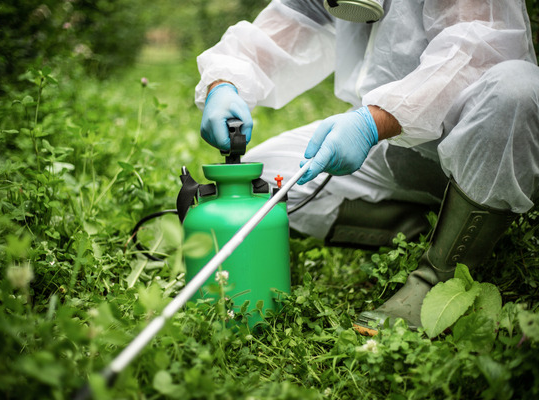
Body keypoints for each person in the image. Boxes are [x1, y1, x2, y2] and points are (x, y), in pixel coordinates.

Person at [194, 0, 539, 335]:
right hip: (393, 147)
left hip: (485, 144)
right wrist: (224, 83)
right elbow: (275, 32)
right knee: (267, 182)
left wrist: (372, 122)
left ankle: (439, 275)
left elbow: (479, 49)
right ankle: (430, 226)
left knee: (516, 88)